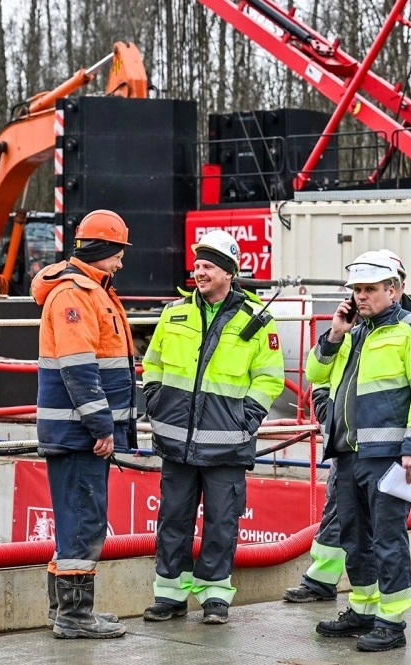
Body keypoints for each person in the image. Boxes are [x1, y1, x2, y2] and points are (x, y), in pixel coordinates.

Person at [283, 248, 411, 605]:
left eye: (370, 289)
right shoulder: (352, 333)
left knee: (387, 540)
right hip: (348, 454)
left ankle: (391, 620)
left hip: (387, 455)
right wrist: (334, 334)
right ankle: (362, 610)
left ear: (394, 289)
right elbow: (316, 373)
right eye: (357, 290)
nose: (361, 296)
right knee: (355, 540)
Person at [142, 229, 285, 625]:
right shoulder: (174, 314)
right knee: (173, 520)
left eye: (208, 266)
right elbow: (152, 364)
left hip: (228, 443)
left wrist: (246, 419)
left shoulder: (256, 321)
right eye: (198, 265)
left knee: (222, 522)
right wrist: (155, 401)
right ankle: (169, 595)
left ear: (228, 273)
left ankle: (215, 596)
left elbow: (269, 378)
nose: (199, 272)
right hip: (176, 441)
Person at [32, 209, 136, 639]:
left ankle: (64, 611)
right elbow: (79, 368)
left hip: (78, 431)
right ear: (102, 249)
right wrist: (102, 427)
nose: (121, 262)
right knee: (83, 521)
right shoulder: (75, 294)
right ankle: (75, 616)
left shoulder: (90, 290)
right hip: (80, 433)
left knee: (75, 519)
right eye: (118, 253)